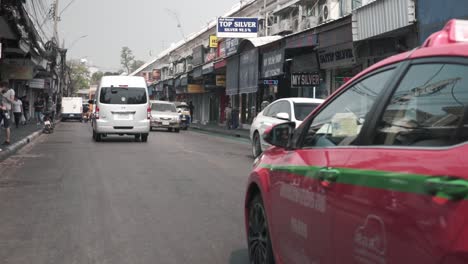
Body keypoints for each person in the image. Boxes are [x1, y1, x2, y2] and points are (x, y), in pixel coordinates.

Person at [0, 81, 15, 145]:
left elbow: (12, 101)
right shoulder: (1, 91)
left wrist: (5, 97)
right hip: (0, 108)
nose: (2, 89)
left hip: (6, 110)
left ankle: (7, 140)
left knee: (7, 125)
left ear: (5, 87)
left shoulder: (11, 91)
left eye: (3, 87)